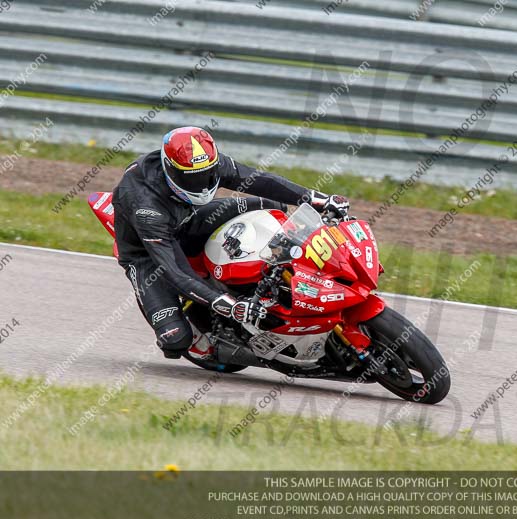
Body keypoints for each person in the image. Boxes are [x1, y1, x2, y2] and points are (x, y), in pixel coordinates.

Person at [112, 126, 349, 359]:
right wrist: (227, 305)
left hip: (190, 219)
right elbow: (175, 270)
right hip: (148, 253)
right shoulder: (145, 207)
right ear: (170, 170)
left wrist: (319, 199)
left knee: (273, 204)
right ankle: (198, 329)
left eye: (207, 174)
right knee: (175, 341)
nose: (202, 183)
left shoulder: (205, 161)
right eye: (191, 178)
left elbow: (259, 180)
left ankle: (288, 268)